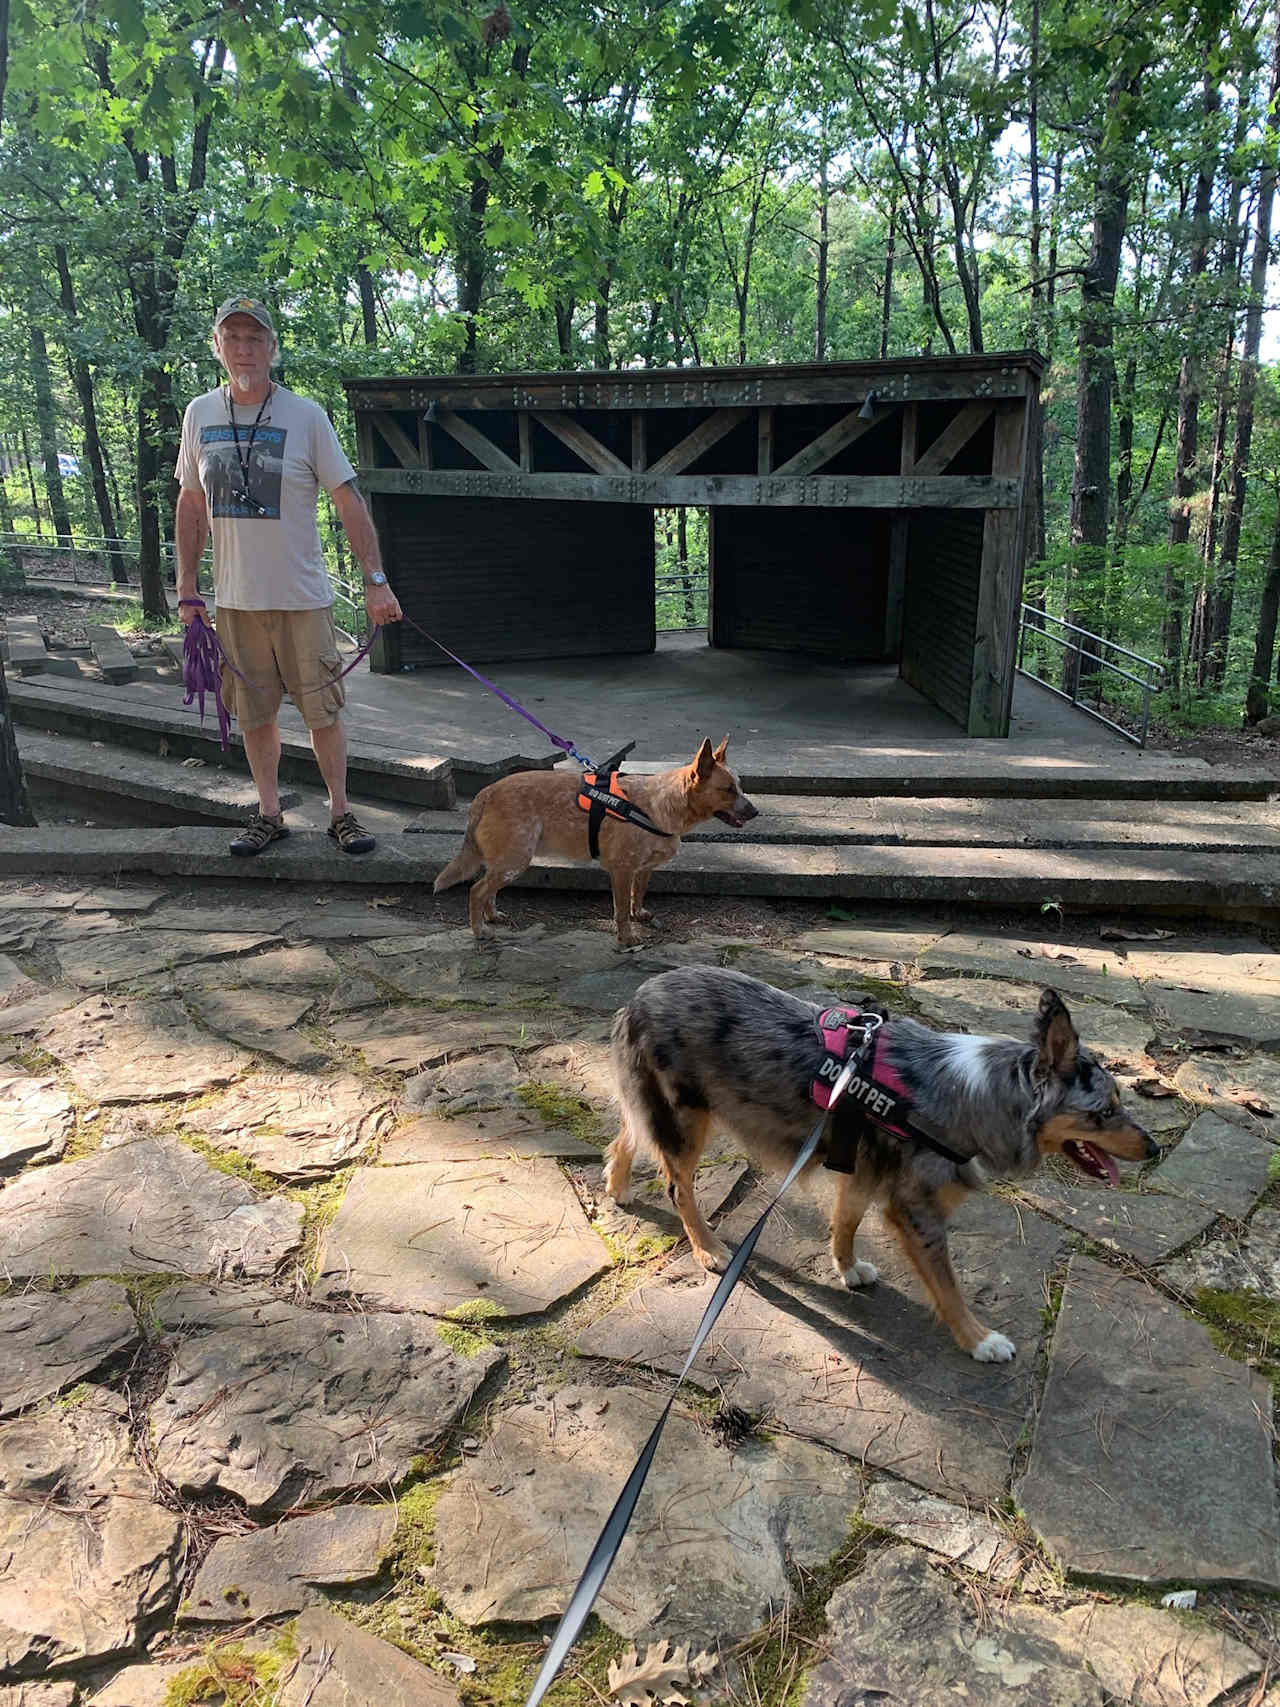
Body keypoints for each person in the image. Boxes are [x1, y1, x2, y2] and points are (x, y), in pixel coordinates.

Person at [175, 294, 403, 856]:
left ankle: (341, 814)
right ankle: (269, 813)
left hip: (303, 599)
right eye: (233, 338)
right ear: (218, 347)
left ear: (273, 349)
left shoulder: (306, 416)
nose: (244, 349)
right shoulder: (200, 414)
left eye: (255, 339)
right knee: (253, 715)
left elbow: (348, 500)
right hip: (234, 603)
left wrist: (376, 581)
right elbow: (189, 502)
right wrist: (186, 589)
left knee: (322, 712)